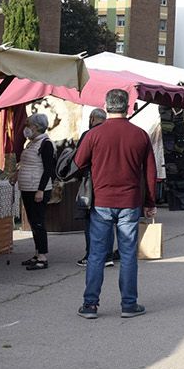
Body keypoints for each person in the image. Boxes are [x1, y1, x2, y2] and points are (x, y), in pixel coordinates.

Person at [73, 88, 158, 319]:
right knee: (129, 254)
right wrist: (149, 202)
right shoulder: (139, 135)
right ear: (128, 106)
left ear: (106, 104)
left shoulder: (94, 135)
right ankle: (129, 304)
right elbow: (150, 172)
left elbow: (78, 162)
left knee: (97, 254)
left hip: (100, 201)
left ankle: (90, 305)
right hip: (130, 201)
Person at [74, 109, 118, 268]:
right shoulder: (113, 133)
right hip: (112, 182)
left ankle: (91, 254)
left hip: (92, 183)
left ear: (92, 119)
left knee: (90, 219)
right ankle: (108, 256)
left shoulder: (89, 134)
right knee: (108, 220)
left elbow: (79, 160)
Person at [13, 111, 56, 270]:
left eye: (28, 125)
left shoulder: (46, 144)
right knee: (33, 222)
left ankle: (43, 256)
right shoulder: (31, 143)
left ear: (36, 127)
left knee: (38, 222)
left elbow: (48, 169)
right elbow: (28, 163)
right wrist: (17, 175)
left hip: (37, 189)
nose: (26, 128)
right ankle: (38, 253)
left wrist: (40, 190)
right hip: (27, 187)